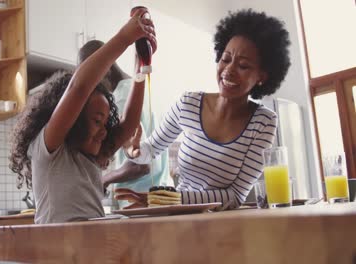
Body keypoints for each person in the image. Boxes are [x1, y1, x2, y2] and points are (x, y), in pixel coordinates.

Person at [122, 9, 291, 209]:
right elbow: (149, 151)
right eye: (226, 59)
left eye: (243, 66)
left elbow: (236, 195)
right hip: (180, 220)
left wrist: (171, 199)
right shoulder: (188, 104)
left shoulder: (263, 122)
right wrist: (133, 150)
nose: (228, 70)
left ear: (262, 76)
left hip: (223, 226)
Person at [9, 8, 157, 224]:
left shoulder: (92, 158)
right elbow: (79, 88)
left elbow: (129, 125)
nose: (104, 131)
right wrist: (124, 38)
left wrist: (141, 64)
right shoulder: (50, 150)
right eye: (97, 121)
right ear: (74, 120)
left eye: (105, 122)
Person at [77, 40, 172, 209]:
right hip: (161, 198)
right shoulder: (143, 90)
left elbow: (140, 167)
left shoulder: (122, 100)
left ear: (104, 68)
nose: (93, 87)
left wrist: (103, 180)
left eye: (92, 78)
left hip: (140, 204)